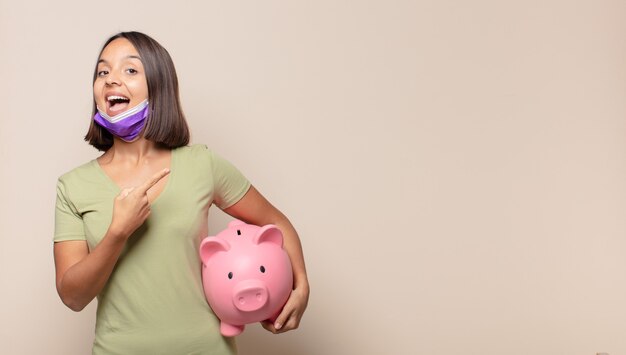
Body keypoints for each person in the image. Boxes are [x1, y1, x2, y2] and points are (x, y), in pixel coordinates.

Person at [53, 31, 309, 355]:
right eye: (102, 72)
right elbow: (72, 297)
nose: (110, 80)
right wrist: (117, 232)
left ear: (158, 85)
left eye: (129, 70)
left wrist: (301, 286)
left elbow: (276, 222)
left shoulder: (202, 164)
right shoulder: (73, 186)